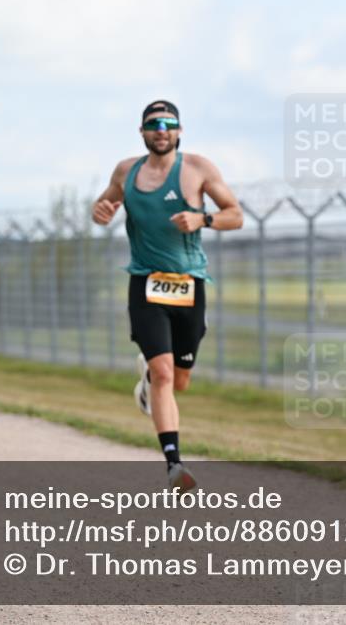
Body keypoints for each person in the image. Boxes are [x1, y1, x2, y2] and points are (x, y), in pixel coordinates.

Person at [92, 100, 243, 492]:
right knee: (163, 373)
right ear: (142, 131)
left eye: (168, 123)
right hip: (145, 282)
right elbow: (105, 203)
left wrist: (203, 218)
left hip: (188, 285)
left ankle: (148, 381)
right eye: (153, 124)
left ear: (179, 131)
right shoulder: (126, 171)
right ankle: (174, 465)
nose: (161, 130)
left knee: (179, 380)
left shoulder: (198, 169)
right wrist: (100, 211)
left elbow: (235, 215)